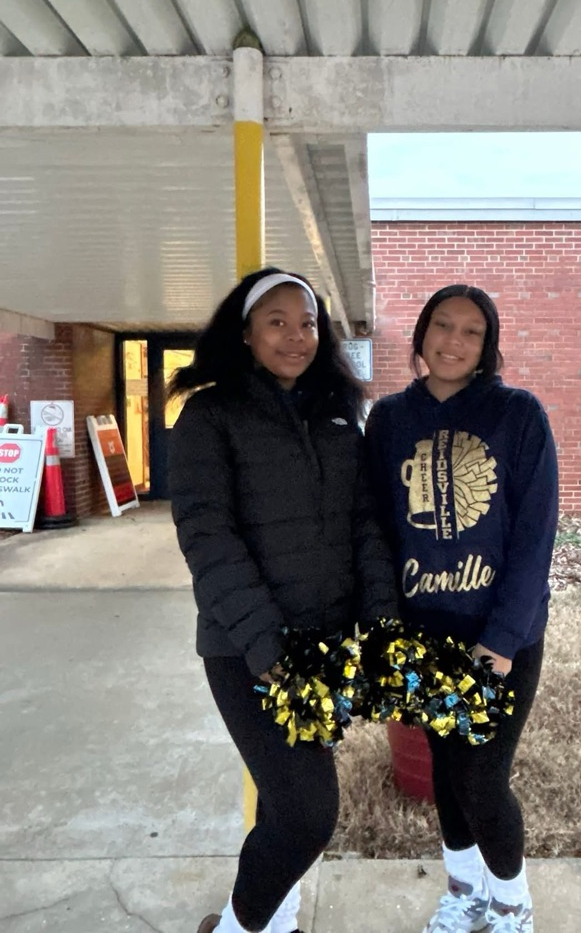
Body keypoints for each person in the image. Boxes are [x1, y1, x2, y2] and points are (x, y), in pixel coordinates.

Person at [168, 267, 398, 933]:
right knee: (307, 813)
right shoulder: (211, 416)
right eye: (276, 321)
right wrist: (269, 648)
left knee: (283, 802)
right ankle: (241, 929)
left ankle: (276, 920)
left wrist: (379, 624)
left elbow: (365, 524)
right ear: (244, 334)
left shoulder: (334, 415)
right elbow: (208, 539)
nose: (296, 336)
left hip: (324, 643)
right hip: (248, 651)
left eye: (308, 322)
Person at [365, 285, 558, 933]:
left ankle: (512, 905)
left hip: (500, 638)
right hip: (425, 636)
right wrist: (387, 633)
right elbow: (377, 532)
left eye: (471, 332)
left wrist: (501, 641)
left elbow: (535, 535)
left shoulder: (519, 414)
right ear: (420, 336)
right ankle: (466, 894)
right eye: (442, 326)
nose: (454, 340)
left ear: (488, 346)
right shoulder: (389, 420)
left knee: (481, 776)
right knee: (447, 773)